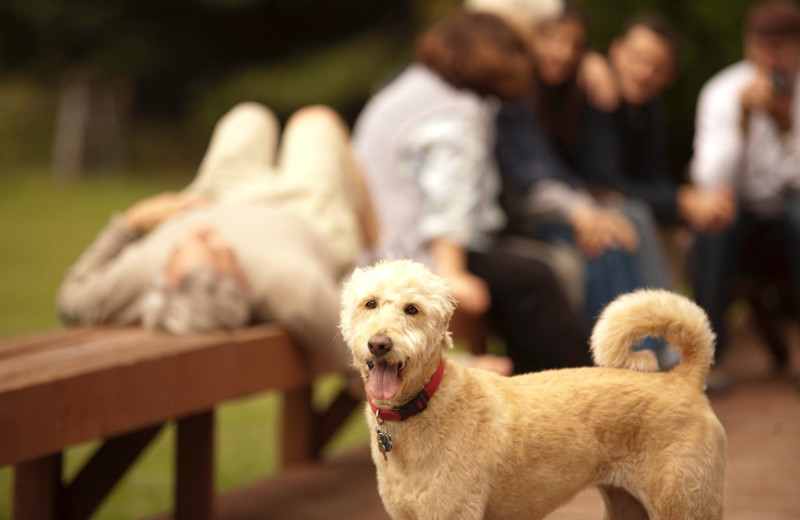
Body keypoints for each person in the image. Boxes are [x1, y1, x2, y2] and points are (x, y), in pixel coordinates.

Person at [57, 103, 376, 393]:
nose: (202, 231)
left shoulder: (137, 279)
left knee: (249, 117)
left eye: (186, 245)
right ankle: (379, 239)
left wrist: (130, 222)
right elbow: (361, 363)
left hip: (216, 196)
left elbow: (72, 297)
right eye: (214, 249)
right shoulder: (292, 288)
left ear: (167, 276)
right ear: (241, 281)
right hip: (306, 210)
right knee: (316, 122)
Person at [353, 11, 592, 374]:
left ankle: (526, 393)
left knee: (524, 269)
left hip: (378, 247)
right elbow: (449, 195)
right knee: (534, 279)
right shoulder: (456, 109)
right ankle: (574, 393)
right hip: (412, 254)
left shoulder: (411, 87)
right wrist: (452, 272)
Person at [495, 3, 671, 325]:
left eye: (575, 45)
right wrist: (582, 209)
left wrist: (585, 205)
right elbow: (527, 175)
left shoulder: (574, 85)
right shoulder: (511, 91)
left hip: (556, 199)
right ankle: (624, 355)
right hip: (523, 210)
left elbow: (556, 166)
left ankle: (652, 347)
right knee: (610, 234)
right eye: (552, 39)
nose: (564, 52)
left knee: (620, 223)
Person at [690, 0, 800, 391]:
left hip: (789, 217)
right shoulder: (722, 90)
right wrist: (742, 123)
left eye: (780, 47)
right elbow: (709, 179)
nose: (769, 58)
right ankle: (705, 360)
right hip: (741, 217)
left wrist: (786, 126)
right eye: (761, 47)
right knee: (716, 219)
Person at [583, 15, 734, 230]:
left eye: (658, 67)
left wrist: (690, 202)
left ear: (671, 75)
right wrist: (680, 202)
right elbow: (604, 181)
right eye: (637, 58)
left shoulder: (651, 107)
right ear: (616, 51)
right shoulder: (595, 89)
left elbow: (655, 175)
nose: (644, 73)